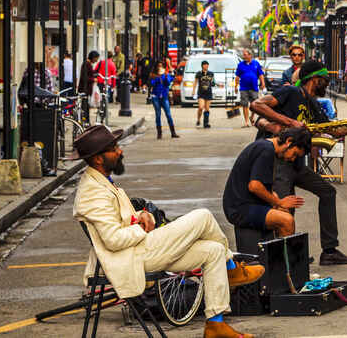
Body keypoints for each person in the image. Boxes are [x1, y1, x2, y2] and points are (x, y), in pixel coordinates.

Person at [71, 125, 262, 338]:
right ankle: (231, 268)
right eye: (114, 148)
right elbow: (113, 240)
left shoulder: (102, 181)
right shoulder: (92, 193)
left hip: (138, 249)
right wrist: (140, 227)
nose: (120, 151)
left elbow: (120, 220)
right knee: (203, 217)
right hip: (131, 257)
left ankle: (215, 325)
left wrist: (139, 216)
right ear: (98, 159)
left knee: (214, 249)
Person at [248, 59, 347, 264]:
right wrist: (289, 122)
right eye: (325, 80)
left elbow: (335, 131)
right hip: (278, 160)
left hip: (297, 163)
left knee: (327, 191)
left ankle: (329, 251)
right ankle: (286, 258)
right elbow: (256, 105)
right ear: (314, 79)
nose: (327, 84)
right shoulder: (290, 93)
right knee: (284, 208)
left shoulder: (314, 105)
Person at [222, 128, 311, 238]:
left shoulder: (266, 146)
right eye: (295, 154)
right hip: (240, 208)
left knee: (284, 212)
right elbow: (254, 186)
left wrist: (276, 201)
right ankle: (285, 255)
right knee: (287, 221)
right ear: (289, 141)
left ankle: (277, 251)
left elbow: (263, 185)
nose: (293, 159)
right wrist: (279, 202)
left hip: (245, 203)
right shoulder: (267, 150)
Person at [235, 49, 265, 128]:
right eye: (243, 55)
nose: (243, 56)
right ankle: (246, 122)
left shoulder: (256, 63)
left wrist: (263, 83)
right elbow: (237, 76)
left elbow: (260, 74)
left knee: (254, 104)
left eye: (245, 55)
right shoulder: (240, 64)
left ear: (250, 55)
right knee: (244, 105)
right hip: (243, 88)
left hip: (254, 87)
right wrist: (235, 86)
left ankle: (251, 117)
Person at [149, 60, 178, 139]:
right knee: (158, 115)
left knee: (168, 114)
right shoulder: (153, 75)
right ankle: (159, 133)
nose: (160, 67)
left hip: (164, 97)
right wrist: (158, 77)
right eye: (159, 66)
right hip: (156, 97)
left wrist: (165, 76)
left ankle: (173, 132)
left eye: (161, 66)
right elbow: (152, 83)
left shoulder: (166, 74)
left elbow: (168, 82)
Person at [79, 51, 101, 117]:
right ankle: (85, 120)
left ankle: (86, 119)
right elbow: (84, 77)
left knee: (86, 105)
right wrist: (93, 79)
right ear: (93, 57)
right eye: (96, 58)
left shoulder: (88, 64)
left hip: (87, 89)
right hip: (84, 88)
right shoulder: (86, 64)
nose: (97, 60)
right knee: (85, 106)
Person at [196, 61, 216, 128]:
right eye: (204, 65)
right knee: (201, 107)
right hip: (201, 93)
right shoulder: (199, 73)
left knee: (207, 109)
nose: (206, 66)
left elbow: (213, 82)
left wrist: (215, 84)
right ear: (202, 66)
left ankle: (206, 123)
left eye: (207, 65)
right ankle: (198, 119)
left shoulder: (211, 73)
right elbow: (195, 82)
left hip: (208, 93)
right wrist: (193, 91)